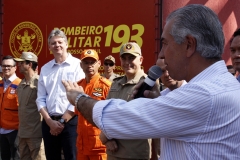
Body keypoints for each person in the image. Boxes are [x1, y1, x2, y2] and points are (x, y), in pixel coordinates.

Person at [63, 4, 240, 159]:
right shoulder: (223, 87)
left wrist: (79, 98)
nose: (161, 54)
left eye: (165, 43)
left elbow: (118, 118)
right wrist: (158, 102)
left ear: (189, 45)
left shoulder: (204, 95)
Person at [36, 28, 85, 160]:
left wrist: (62, 121)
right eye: (53, 43)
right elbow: (40, 99)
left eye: (59, 42)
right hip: (49, 123)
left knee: (73, 157)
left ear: (67, 44)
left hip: (71, 122)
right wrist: (49, 121)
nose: (57, 45)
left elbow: (80, 97)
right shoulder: (45, 69)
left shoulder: (78, 65)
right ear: (49, 47)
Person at [100, 42, 154, 160]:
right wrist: (106, 138)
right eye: (124, 58)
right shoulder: (116, 83)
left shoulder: (148, 84)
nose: (127, 62)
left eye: (131, 58)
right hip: (113, 151)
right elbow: (105, 113)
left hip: (135, 153)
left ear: (141, 60)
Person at [76, 49, 111, 160]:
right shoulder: (78, 86)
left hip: (99, 146)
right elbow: (77, 113)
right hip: (82, 145)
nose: (89, 65)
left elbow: (112, 116)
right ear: (81, 65)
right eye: (86, 62)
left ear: (99, 64)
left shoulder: (106, 86)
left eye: (92, 62)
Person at [14, 52, 46, 160]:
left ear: (30, 64)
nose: (19, 65)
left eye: (22, 63)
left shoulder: (40, 83)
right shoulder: (21, 84)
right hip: (22, 133)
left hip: (36, 135)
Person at [0, 55, 21, 160]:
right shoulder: (0, 84)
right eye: (3, 66)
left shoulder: (20, 85)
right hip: (2, 130)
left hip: (15, 131)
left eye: (9, 66)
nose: (6, 68)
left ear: (15, 67)